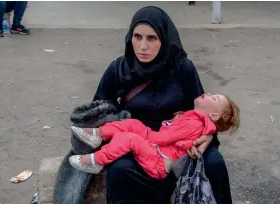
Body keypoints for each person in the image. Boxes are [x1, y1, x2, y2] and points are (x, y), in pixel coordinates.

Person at [88, 6, 234, 204]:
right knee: (121, 171)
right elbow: (99, 111)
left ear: (164, 38)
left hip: (181, 141)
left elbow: (203, 108)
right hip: (137, 142)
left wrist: (208, 134)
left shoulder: (182, 67)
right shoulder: (119, 69)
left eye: (152, 38)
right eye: (137, 37)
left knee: (214, 163)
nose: (142, 46)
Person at [69, 93, 240, 179]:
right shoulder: (193, 118)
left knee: (129, 138)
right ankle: (97, 135)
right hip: (157, 146)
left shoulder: (196, 122)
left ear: (214, 116)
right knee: (132, 124)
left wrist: (147, 137)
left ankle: (95, 161)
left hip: (159, 161)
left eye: (214, 99)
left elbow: (163, 138)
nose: (208, 94)